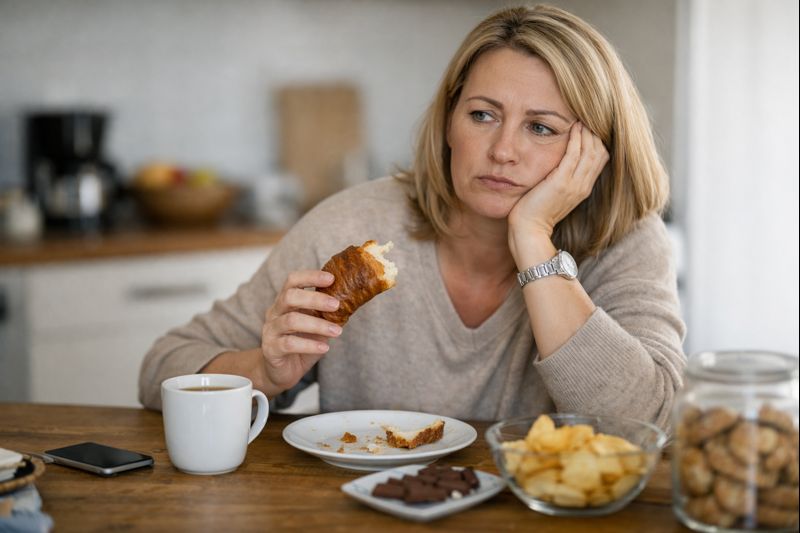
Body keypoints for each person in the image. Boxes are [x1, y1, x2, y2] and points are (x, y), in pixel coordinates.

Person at [139, 4, 686, 428]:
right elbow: (162, 368)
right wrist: (263, 368)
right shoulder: (353, 225)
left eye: (541, 127)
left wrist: (534, 239)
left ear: (594, 151)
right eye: (482, 115)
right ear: (449, 123)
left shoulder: (628, 241)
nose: (501, 150)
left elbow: (648, 422)